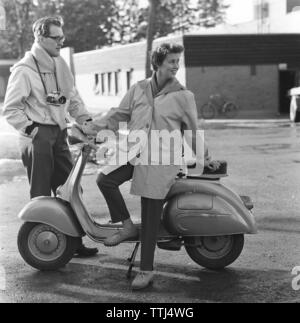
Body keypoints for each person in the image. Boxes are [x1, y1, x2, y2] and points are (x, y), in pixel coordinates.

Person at [93, 43, 220, 290]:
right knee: (104, 180)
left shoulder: (183, 96)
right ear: (158, 63)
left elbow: (193, 131)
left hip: (162, 159)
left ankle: (147, 270)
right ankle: (127, 227)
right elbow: (118, 114)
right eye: (172, 61)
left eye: (177, 61)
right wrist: (91, 127)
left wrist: (204, 158)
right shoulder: (138, 89)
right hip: (134, 152)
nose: (176, 65)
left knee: (150, 212)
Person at [3, 16, 98, 258]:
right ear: (40, 38)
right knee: (42, 194)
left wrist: (86, 122)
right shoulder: (25, 70)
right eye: (56, 38)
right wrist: (33, 130)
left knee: (70, 188)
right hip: (38, 134)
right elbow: (11, 109)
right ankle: (43, 248)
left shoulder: (60, 66)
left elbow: (72, 99)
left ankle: (74, 243)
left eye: (62, 38)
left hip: (59, 132)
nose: (60, 42)